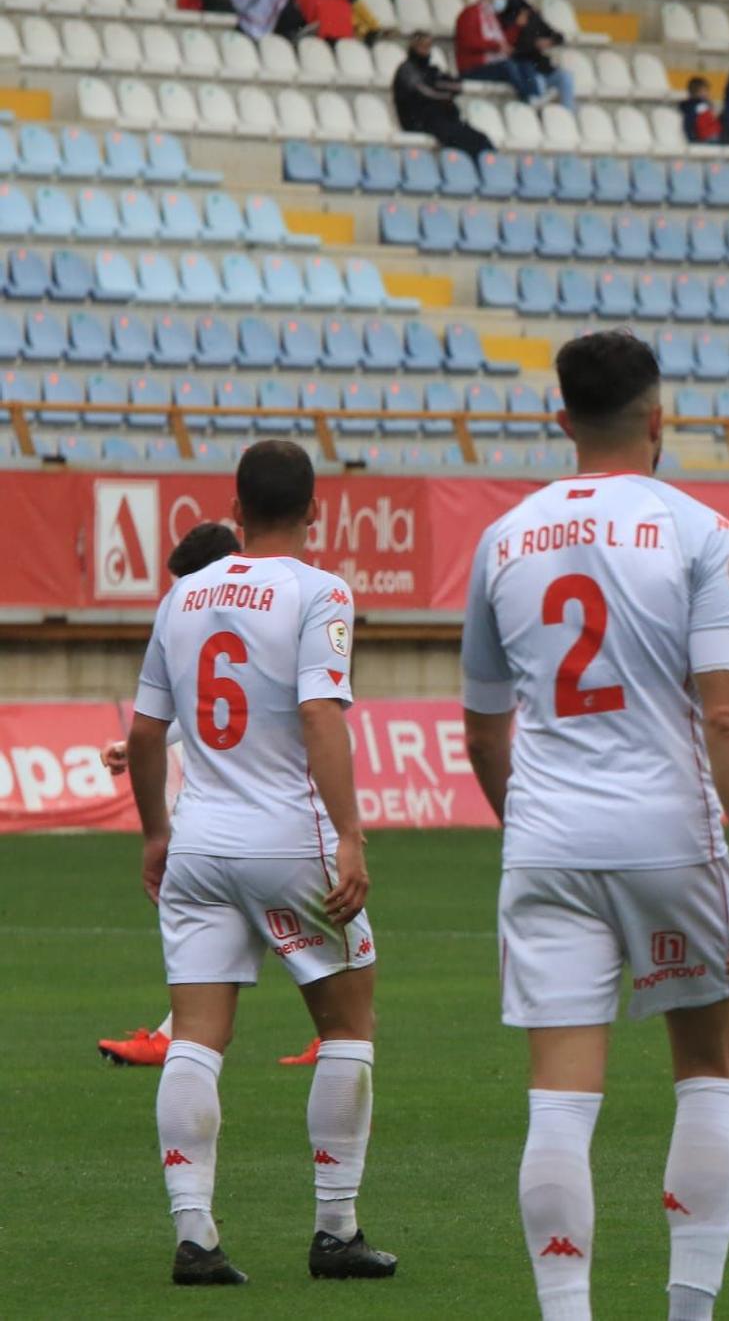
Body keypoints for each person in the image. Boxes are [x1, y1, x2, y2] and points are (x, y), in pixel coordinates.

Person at [460, 330, 729, 1321]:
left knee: (558, 1099)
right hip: (669, 836)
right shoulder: (699, 531)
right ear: (658, 418)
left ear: (560, 420)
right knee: (707, 1073)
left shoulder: (502, 537)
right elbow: (723, 713)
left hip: (548, 839)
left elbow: (480, 721)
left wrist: (528, 823)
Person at [125, 441, 395, 1286]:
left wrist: (156, 832)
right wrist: (349, 833)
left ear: (233, 511)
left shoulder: (183, 596)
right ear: (314, 512)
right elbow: (320, 713)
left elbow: (142, 733)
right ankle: (336, 1230)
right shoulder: (321, 591)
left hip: (200, 842)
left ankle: (196, 1236)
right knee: (347, 1025)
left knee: (196, 1041)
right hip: (289, 839)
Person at [99, 523, 319, 1070]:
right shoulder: (289, 601)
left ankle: (337, 1034)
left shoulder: (281, 605)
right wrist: (138, 744)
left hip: (282, 809)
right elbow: (211, 705)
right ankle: (175, 1034)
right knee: (252, 920)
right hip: (253, 819)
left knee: (296, 925)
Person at [394, 32, 495, 158]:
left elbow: (456, 86)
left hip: (441, 118)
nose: (426, 50)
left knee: (481, 138)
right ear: (413, 47)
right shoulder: (407, 69)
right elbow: (424, 92)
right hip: (419, 121)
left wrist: (439, 88)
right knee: (465, 141)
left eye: (428, 46)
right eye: (422, 46)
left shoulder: (431, 69)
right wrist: (445, 94)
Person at [456, 0, 538, 103]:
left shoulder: (493, 16)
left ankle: (536, 97)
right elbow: (468, 41)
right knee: (508, 66)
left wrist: (517, 26)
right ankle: (528, 99)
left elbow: (504, 41)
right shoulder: (470, 13)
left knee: (526, 65)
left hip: (493, 65)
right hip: (473, 68)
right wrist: (496, 46)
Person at [500, 0, 576, 110]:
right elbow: (513, 51)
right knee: (537, 81)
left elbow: (559, 37)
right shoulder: (508, 25)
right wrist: (535, 45)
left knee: (566, 77)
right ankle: (541, 115)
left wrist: (550, 41)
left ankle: (569, 115)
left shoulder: (534, 20)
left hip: (542, 68)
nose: (526, 15)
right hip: (524, 70)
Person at [679, 76, 722, 146]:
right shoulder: (695, 107)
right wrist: (693, 139)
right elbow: (689, 123)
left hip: (713, 136)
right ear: (696, 92)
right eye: (705, 91)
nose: (708, 94)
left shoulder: (705, 105)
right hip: (705, 138)